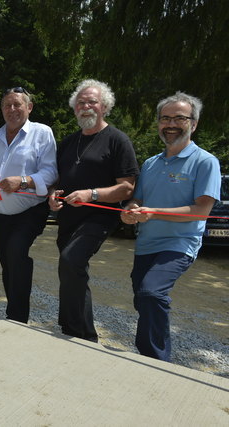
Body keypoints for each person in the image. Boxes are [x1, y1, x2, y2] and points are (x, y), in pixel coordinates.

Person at [121, 92, 221, 361]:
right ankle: (148, 356)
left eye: (180, 118)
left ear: (194, 123)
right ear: (158, 123)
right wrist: (129, 212)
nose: (171, 124)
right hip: (146, 245)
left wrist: (152, 213)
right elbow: (137, 200)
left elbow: (201, 210)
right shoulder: (151, 163)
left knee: (151, 293)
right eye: (165, 118)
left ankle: (155, 361)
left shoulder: (206, 161)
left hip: (179, 245)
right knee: (143, 300)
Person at [48, 79, 139, 342]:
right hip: (68, 218)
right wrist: (53, 196)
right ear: (74, 108)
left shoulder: (118, 140)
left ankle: (85, 336)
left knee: (71, 260)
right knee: (70, 269)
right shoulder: (68, 142)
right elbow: (58, 180)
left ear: (105, 107)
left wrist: (92, 194)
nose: (86, 106)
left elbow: (126, 188)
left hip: (99, 217)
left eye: (92, 102)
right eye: (81, 102)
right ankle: (70, 328)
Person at [0, 87, 57, 322]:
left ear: (29, 107)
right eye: (7, 105)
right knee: (7, 263)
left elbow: (50, 171)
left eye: (18, 104)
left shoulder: (42, 133)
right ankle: (14, 311)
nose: (12, 109)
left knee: (17, 253)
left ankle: (18, 317)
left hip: (30, 211)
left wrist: (24, 182)